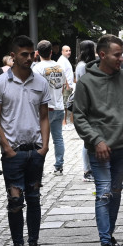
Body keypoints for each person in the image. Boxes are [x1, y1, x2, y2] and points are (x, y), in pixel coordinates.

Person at [71, 35, 123, 246]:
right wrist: (96, 140)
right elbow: (79, 117)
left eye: (122, 54)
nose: (122, 58)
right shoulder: (86, 83)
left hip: (121, 147)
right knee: (103, 193)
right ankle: (105, 243)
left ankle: (109, 236)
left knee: (116, 192)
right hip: (99, 149)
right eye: (117, 55)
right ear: (102, 55)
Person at [0, 35, 51, 246]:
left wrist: (45, 146)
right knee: (15, 201)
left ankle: (34, 245)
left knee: (35, 199)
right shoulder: (1, 83)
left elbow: (44, 116)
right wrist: (6, 147)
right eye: (24, 54)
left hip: (34, 151)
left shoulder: (40, 82)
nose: (29, 58)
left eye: (31, 54)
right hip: (14, 153)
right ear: (13, 56)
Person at [32, 40, 73, 175]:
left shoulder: (37, 68)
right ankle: (59, 166)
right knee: (58, 138)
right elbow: (61, 87)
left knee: (41, 139)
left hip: (45, 108)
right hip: (59, 106)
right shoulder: (59, 66)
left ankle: (39, 167)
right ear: (51, 52)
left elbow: (35, 89)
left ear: (37, 53)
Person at [75, 39, 97, 181]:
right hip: (87, 103)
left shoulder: (81, 65)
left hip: (87, 102)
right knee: (87, 139)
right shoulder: (84, 66)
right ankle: (87, 169)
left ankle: (90, 168)